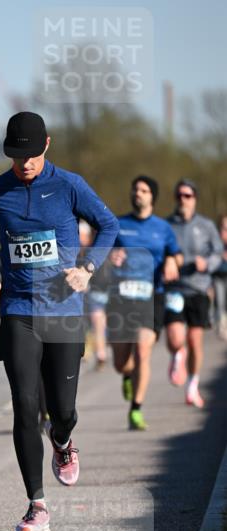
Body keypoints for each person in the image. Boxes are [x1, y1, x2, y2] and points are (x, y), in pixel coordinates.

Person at [0, 111, 119, 531]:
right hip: (18, 311)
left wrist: (87, 268)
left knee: (64, 410)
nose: (24, 164)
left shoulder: (69, 185)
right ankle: (36, 506)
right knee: (23, 403)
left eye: (32, 156)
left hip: (62, 311)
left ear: (47, 146)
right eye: (16, 156)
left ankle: (63, 442)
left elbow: (109, 224)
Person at [106, 175, 181, 430]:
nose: (138, 193)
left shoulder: (163, 228)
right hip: (120, 298)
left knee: (142, 350)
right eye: (135, 189)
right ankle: (127, 375)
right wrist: (111, 256)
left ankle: (136, 409)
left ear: (152, 197)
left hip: (151, 296)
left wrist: (173, 261)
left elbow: (176, 255)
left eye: (144, 190)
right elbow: (102, 253)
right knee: (120, 362)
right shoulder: (117, 224)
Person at [164, 179, 224, 408]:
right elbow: (158, 251)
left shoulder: (206, 226)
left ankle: (192, 386)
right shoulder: (166, 225)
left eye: (187, 195)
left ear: (194, 198)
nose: (183, 199)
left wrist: (207, 263)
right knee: (175, 338)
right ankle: (177, 354)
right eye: (179, 195)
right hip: (175, 288)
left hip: (198, 288)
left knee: (195, 340)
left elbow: (218, 253)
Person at [79, 220, 110, 370]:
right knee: (86, 320)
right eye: (79, 235)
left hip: (99, 292)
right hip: (81, 294)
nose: (81, 239)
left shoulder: (96, 251)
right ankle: (89, 350)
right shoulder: (73, 253)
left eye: (83, 235)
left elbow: (104, 274)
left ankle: (100, 353)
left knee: (98, 319)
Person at [213, 214, 227, 341]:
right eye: (224, 228)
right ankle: (221, 327)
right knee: (220, 302)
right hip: (218, 276)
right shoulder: (215, 242)